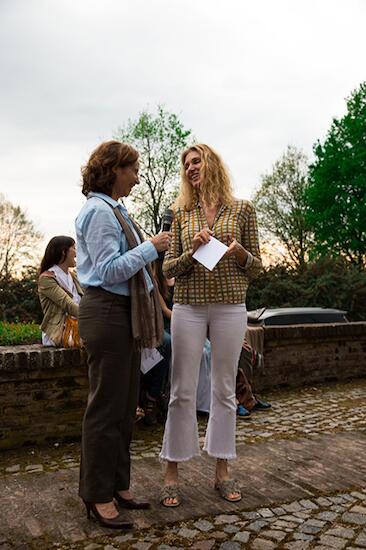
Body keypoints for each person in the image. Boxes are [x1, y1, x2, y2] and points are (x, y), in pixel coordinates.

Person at [75, 140, 172, 529]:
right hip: (107, 313)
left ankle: (118, 484)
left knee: (124, 406)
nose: (137, 176)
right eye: (132, 169)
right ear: (114, 169)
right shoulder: (99, 211)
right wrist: (151, 248)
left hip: (124, 315)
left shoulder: (117, 209)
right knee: (104, 409)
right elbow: (109, 270)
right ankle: (96, 494)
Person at [159, 144, 262, 507]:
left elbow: (257, 266)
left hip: (230, 308)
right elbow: (168, 269)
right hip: (188, 307)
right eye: (186, 164)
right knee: (181, 390)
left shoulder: (243, 209)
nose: (190, 168)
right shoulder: (180, 213)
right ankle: (171, 473)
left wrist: (240, 253)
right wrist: (191, 250)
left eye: (196, 161)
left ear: (212, 164)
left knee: (223, 391)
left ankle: (222, 470)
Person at [38, 236, 83, 346]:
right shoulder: (47, 279)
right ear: (63, 252)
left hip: (79, 325)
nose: (76, 253)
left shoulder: (73, 276)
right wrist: (93, 317)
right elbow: (68, 304)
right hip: (59, 332)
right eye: (74, 248)